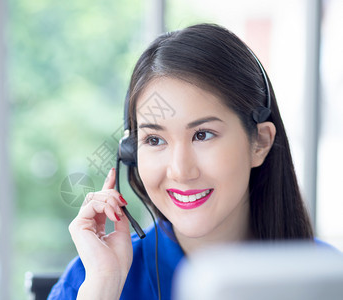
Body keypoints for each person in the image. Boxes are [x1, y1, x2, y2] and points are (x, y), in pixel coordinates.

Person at [48, 23, 316, 299]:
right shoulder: (90, 279)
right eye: (154, 140)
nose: (180, 170)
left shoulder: (325, 278)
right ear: (130, 152)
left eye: (202, 135)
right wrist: (104, 286)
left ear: (259, 142)